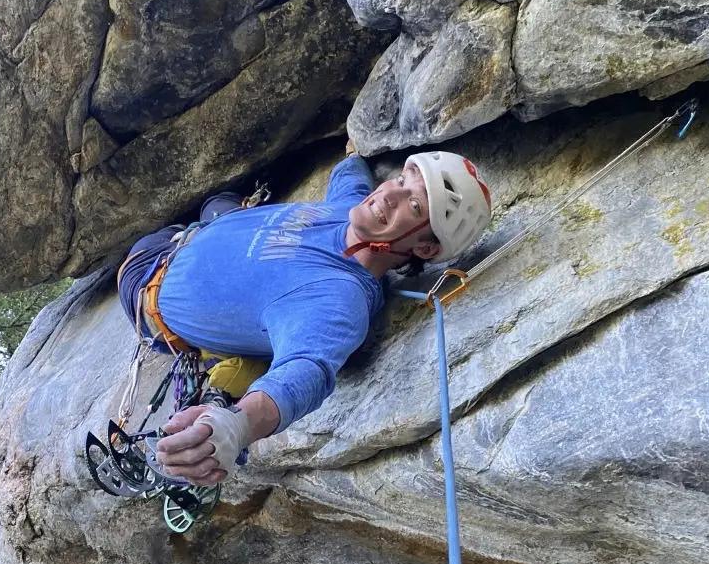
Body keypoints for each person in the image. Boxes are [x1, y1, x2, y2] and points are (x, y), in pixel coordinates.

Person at [114, 144, 492, 486]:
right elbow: (349, 174)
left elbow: (305, 372)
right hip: (203, 231)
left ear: (424, 249)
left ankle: (224, 381)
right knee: (218, 204)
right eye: (400, 180)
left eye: (414, 205)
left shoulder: (337, 301)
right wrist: (354, 151)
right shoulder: (350, 208)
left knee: (201, 217)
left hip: (144, 281)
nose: (389, 194)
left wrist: (237, 425)